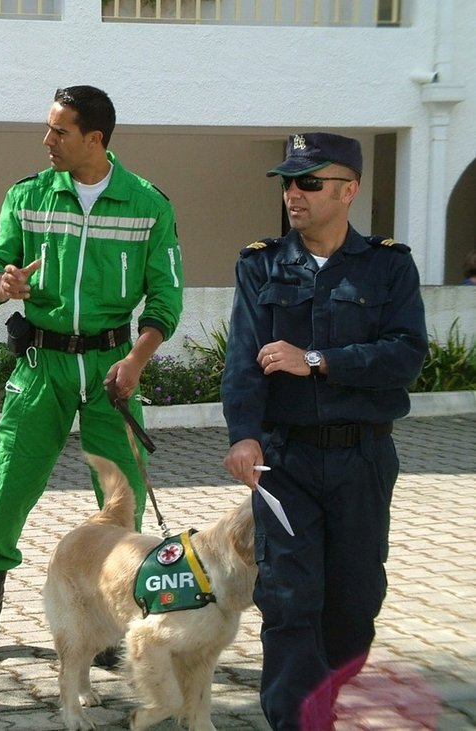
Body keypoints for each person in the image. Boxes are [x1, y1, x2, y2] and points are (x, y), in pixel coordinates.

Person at [0, 85, 184, 662]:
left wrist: (137, 360)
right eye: (49, 128)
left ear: (95, 138)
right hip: (42, 366)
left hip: (113, 370)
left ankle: (114, 616)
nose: (47, 140)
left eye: (60, 131)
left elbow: (166, 297)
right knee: (11, 484)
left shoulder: (148, 204)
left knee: (123, 500)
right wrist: (1, 284)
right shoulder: (28, 196)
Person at [221, 132, 428, 730]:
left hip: (363, 459)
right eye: (289, 183)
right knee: (288, 602)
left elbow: (405, 355)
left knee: (354, 604)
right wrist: (244, 435)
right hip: (285, 463)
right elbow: (243, 359)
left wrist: (315, 359)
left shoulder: (389, 266)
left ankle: (326, 698)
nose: (294, 194)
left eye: (309, 183)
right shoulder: (260, 263)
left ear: (349, 191)